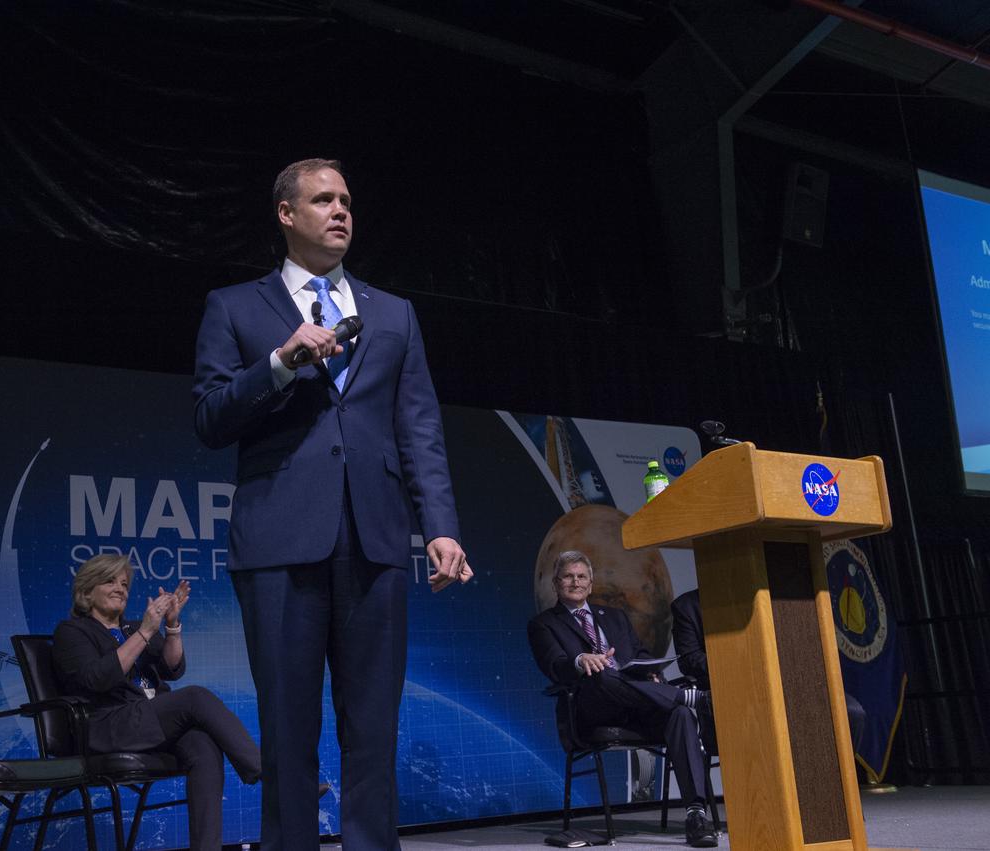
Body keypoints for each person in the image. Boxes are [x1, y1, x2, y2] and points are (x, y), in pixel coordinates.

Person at [191, 158, 472, 851]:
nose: (340, 210)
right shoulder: (234, 306)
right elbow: (210, 418)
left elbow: (419, 427)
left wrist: (440, 526)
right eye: (322, 200)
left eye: (345, 200)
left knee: (373, 726)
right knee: (287, 727)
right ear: (286, 214)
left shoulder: (395, 313)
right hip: (278, 539)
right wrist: (279, 363)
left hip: (375, 538)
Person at [51, 553, 262, 851]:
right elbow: (97, 679)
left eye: (124, 584)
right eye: (110, 581)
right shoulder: (72, 632)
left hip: (146, 722)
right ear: (86, 591)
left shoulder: (131, 628)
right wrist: (147, 631)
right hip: (109, 725)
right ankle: (270, 776)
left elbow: (172, 668)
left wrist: (171, 625)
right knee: (195, 697)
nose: (120, 589)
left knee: (202, 744)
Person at [528, 550, 718, 848]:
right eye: (568, 576)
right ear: (556, 583)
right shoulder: (544, 624)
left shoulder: (614, 616)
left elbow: (640, 655)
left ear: (591, 584)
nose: (575, 582)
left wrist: (652, 671)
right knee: (601, 672)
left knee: (680, 714)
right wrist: (580, 660)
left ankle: (696, 814)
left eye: (581, 576)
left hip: (638, 705)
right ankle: (688, 697)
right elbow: (554, 665)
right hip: (594, 708)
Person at [670, 588, 866, 752]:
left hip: (783, 685)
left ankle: (831, 778)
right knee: (776, 722)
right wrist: (742, 667)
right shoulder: (686, 607)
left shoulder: (761, 595)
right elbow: (689, 661)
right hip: (732, 696)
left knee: (851, 712)